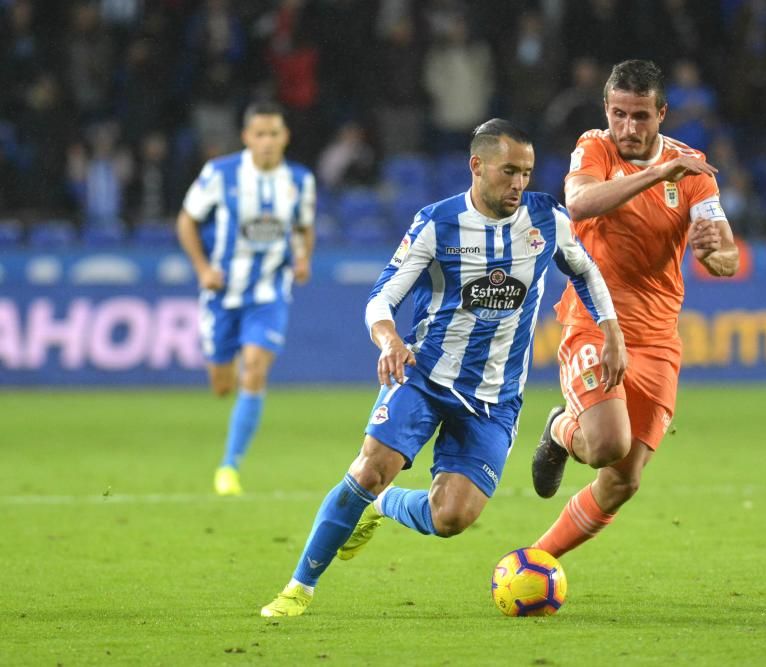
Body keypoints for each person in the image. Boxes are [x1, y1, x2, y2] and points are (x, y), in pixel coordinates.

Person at [260, 118, 626, 617]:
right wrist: (388, 338)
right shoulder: (436, 223)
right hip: (425, 375)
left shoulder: (547, 220)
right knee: (370, 467)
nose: (519, 183)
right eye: (508, 171)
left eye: (527, 172)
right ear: (477, 166)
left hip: (494, 399)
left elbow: (585, 270)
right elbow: (382, 296)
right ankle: (298, 588)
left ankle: (384, 504)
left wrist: (610, 328)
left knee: (451, 517)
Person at [530, 59, 739, 559]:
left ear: (662, 113)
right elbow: (579, 204)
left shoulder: (692, 168)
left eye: (640, 116)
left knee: (623, 481)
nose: (628, 127)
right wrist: (658, 175)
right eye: (619, 114)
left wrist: (715, 253)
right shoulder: (594, 146)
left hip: (658, 339)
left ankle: (533, 561)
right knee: (604, 444)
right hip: (594, 324)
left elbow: (725, 255)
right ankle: (562, 429)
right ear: (607, 109)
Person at [176, 101, 316, 496]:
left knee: (254, 369)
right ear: (246, 137)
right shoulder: (221, 174)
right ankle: (231, 381)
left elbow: (305, 227)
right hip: (222, 293)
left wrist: (303, 258)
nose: (267, 142)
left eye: (274, 134)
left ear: (285, 136)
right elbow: (186, 220)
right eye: (260, 134)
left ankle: (229, 467)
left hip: (269, 292)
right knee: (222, 384)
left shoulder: (300, 181)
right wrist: (203, 269)